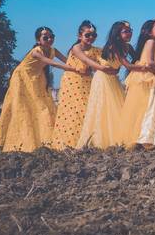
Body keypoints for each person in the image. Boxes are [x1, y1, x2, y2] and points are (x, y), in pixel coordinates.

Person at [0, 27, 86, 152]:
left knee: (44, 107)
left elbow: (67, 60)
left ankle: (45, 142)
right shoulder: (36, 51)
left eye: (51, 36)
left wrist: (83, 66)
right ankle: (25, 144)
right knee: (24, 109)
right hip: (22, 78)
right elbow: (51, 63)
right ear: (38, 40)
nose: (49, 39)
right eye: (45, 37)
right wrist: (73, 69)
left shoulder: (53, 50)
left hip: (38, 78)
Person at [51, 20, 119, 149]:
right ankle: (68, 143)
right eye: (87, 35)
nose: (91, 38)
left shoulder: (97, 50)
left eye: (93, 35)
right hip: (72, 81)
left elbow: (105, 60)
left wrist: (115, 65)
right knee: (73, 111)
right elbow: (87, 61)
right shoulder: (76, 48)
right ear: (79, 36)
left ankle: (86, 140)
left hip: (88, 81)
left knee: (88, 109)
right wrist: (102, 69)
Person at [77, 21, 131, 149]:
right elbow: (127, 65)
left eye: (130, 31)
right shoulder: (115, 46)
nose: (129, 33)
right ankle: (104, 139)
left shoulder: (124, 46)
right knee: (104, 107)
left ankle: (119, 135)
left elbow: (121, 63)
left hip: (113, 78)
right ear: (117, 34)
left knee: (116, 107)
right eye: (125, 31)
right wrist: (103, 68)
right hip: (103, 78)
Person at [120, 19, 155, 149]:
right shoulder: (151, 42)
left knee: (144, 108)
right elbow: (150, 63)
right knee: (142, 108)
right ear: (149, 32)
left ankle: (142, 138)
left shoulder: (154, 44)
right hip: (143, 77)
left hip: (145, 76)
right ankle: (138, 138)